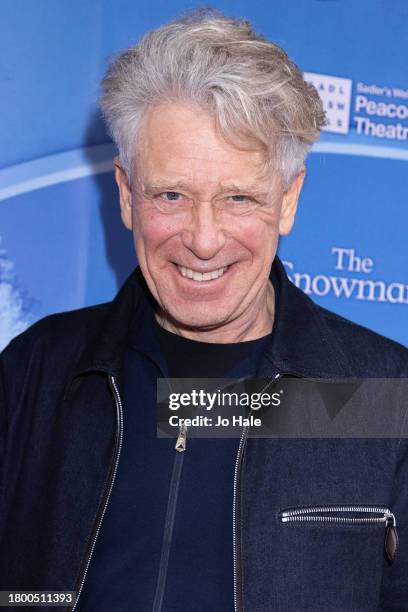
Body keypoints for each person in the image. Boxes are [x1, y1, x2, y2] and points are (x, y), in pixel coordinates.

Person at [0, 9, 407, 612]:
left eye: (239, 197)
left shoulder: (382, 394)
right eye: (172, 195)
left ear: (288, 200)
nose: (204, 239)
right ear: (126, 194)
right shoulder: (40, 371)